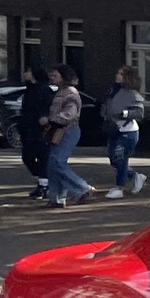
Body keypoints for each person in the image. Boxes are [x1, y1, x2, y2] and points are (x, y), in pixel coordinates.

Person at [40, 66, 92, 207]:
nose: (52, 77)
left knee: (57, 161)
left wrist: (51, 120)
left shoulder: (70, 94)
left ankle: (81, 188)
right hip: (60, 130)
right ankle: (57, 198)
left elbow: (70, 114)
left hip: (68, 130)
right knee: (52, 164)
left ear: (64, 77)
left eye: (55, 75)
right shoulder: (61, 92)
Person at [101, 66, 146, 197]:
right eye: (118, 73)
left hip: (128, 131)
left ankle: (119, 187)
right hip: (114, 129)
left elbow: (139, 112)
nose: (117, 75)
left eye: (121, 74)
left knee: (121, 157)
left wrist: (124, 113)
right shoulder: (112, 91)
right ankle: (135, 176)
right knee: (113, 159)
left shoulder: (132, 94)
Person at [14, 63, 51, 198]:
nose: (25, 74)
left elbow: (47, 107)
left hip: (40, 129)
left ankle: (44, 185)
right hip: (28, 128)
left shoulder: (44, 90)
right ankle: (42, 181)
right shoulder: (29, 90)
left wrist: (44, 118)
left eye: (28, 71)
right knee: (27, 156)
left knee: (42, 156)